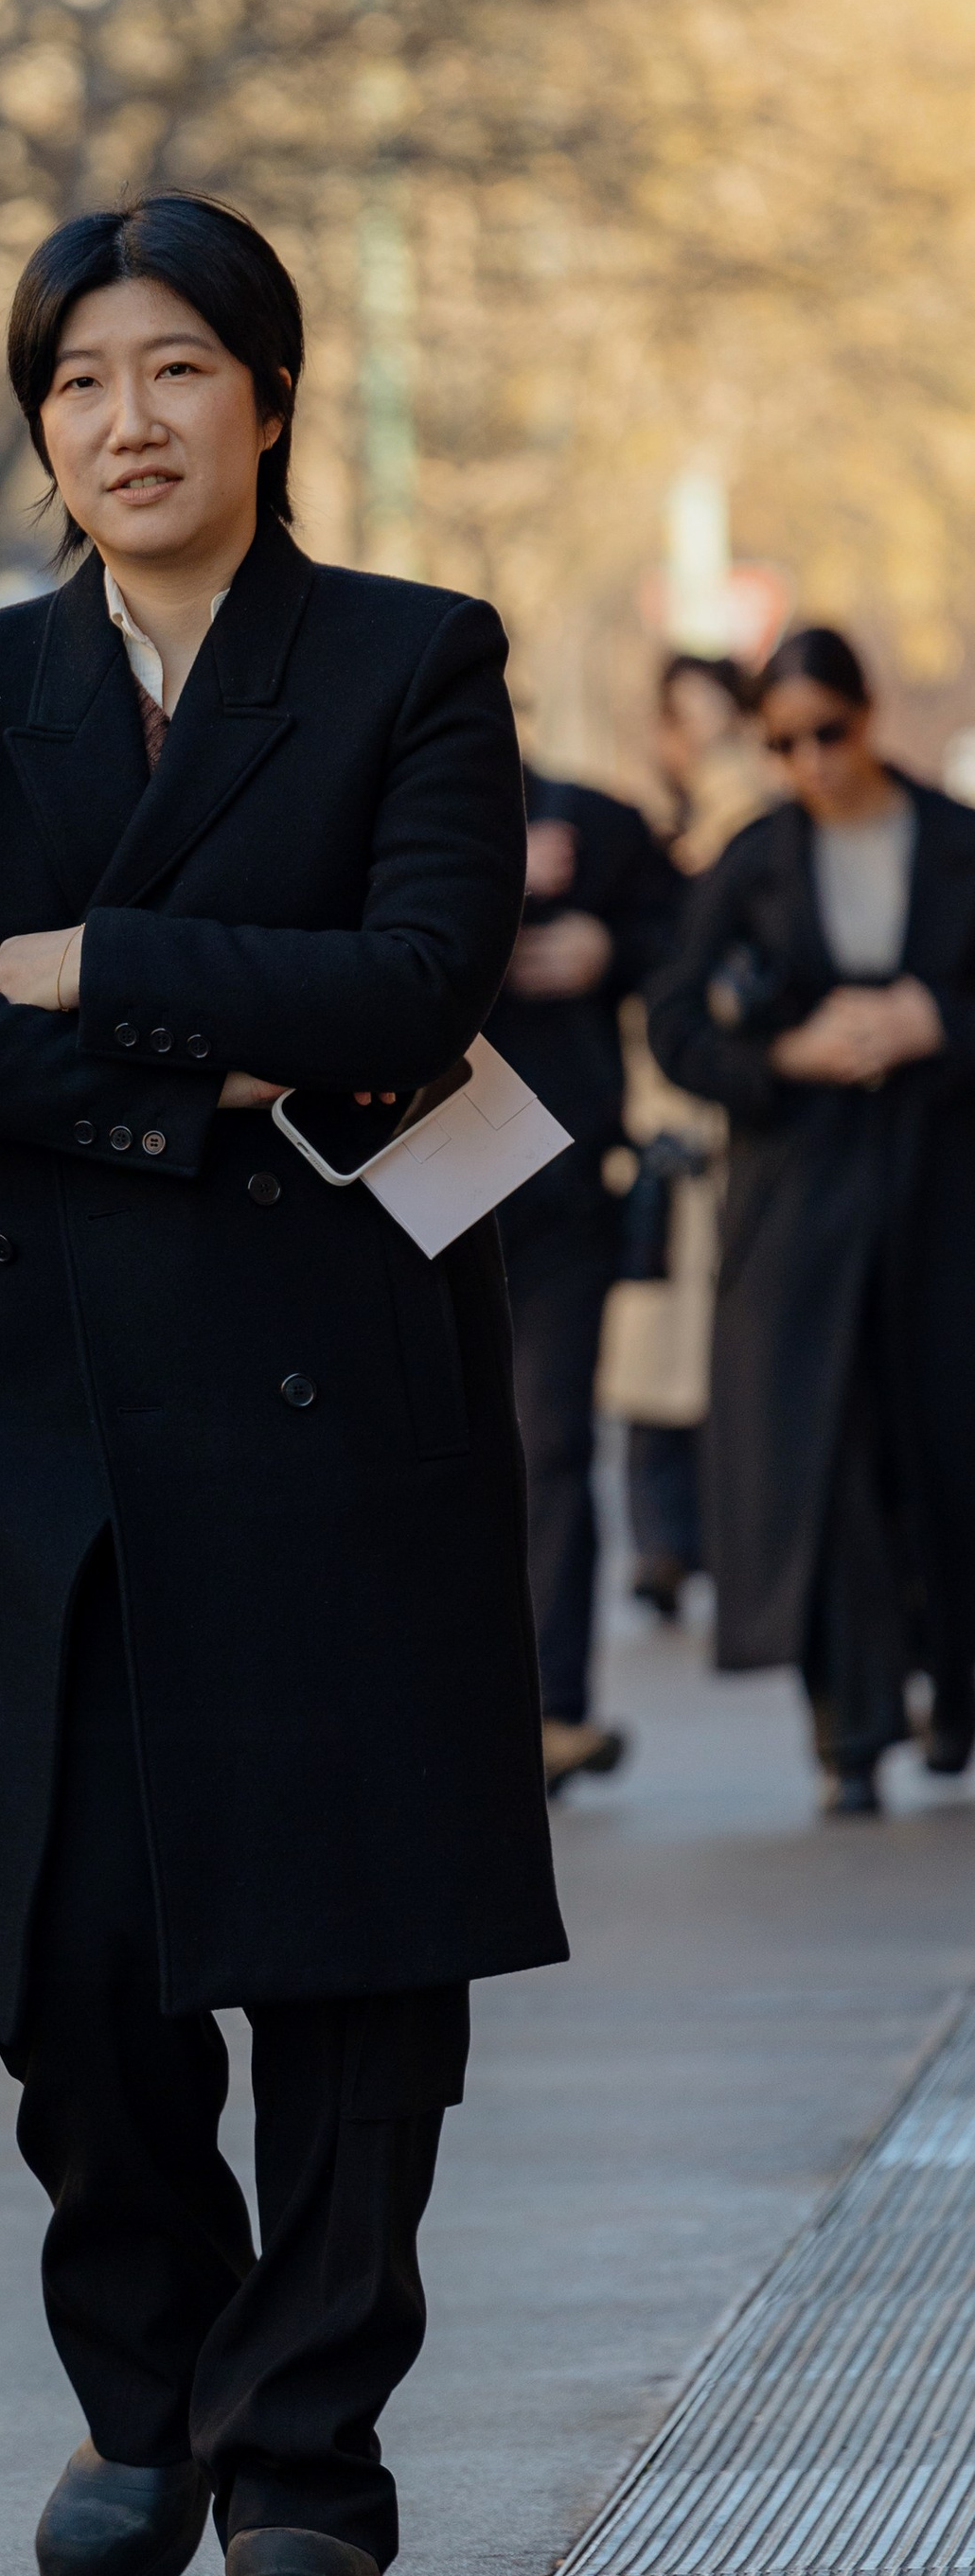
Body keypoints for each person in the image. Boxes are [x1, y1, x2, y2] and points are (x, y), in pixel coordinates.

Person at [0, 193, 564, 2576]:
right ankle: (145, 2383)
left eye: (175, 371)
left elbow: (420, 979)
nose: (128, 421)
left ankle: (312, 2455)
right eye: (81, 381)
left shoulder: (407, 664)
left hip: (339, 1387)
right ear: (42, 422)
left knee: (357, 1953)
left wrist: (112, 963)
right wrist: (206, 1070)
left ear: (266, 393)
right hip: (53, 1406)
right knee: (81, 1961)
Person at [650, 626, 975, 1815]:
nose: (810, 761)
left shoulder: (952, 843)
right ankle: (853, 1728)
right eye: (781, 742)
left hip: (941, 1197)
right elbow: (680, 1021)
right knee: (821, 1457)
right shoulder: (753, 859)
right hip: (801, 1202)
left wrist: (933, 1023)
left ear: (867, 715)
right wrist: (786, 1051)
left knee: (940, 1449)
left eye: (827, 732)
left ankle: (955, 1691)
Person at [486, 755, 682, 1791]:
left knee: (550, 1440)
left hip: (559, 1181)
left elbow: (686, 939)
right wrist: (489, 880)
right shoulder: (354, 808)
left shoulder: (595, 823)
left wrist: (604, 947)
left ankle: (551, 1707)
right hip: (396, 1181)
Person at [613, 654, 776, 1618]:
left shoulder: (746, 833)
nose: (693, 742)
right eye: (682, 721)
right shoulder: (645, 842)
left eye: (713, 721)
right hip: (650, 1129)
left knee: (716, 1349)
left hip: (722, 1123)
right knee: (647, 1343)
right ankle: (664, 1547)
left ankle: (707, 1544)